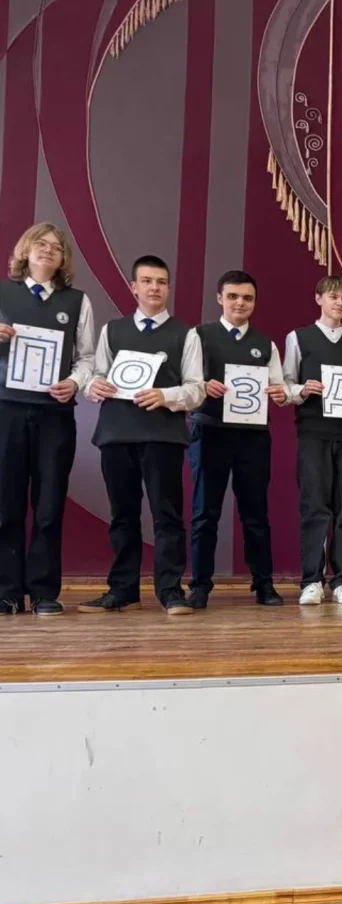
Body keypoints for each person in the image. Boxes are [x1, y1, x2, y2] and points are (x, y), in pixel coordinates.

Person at [80, 255, 204, 615]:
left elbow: (196, 389)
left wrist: (165, 395)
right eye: (147, 281)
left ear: (169, 288)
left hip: (163, 436)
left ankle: (170, 590)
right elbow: (95, 375)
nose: (154, 288)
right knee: (122, 515)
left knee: (167, 515)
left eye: (161, 282)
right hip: (116, 434)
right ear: (134, 287)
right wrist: (93, 386)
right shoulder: (112, 330)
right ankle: (123, 590)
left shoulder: (186, 334)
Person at [0, 224, 95, 616]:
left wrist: (74, 383)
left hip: (54, 414)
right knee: (5, 503)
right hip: (6, 409)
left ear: (63, 258)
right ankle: (6, 590)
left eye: (57, 247)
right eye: (41, 243)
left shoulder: (77, 301)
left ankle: (43, 591)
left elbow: (87, 358)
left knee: (49, 503)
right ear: (25, 250)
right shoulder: (3, 293)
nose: (49, 250)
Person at [186, 270, 287, 609]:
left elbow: (279, 387)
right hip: (209, 430)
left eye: (247, 298)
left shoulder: (266, 344)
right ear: (220, 298)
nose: (240, 303)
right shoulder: (199, 335)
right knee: (205, 513)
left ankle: (264, 584)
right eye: (232, 296)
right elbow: (186, 381)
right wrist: (203, 386)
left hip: (253, 436)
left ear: (254, 302)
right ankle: (200, 586)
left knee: (256, 513)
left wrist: (279, 393)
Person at [282, 275, 342, 606]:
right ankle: (312, 580)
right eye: (333, 297)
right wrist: (302, 389)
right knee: (315, 506)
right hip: (313, 433)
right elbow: (285, 386)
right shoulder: (298, 338)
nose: (339, 303)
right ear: (319, 298)